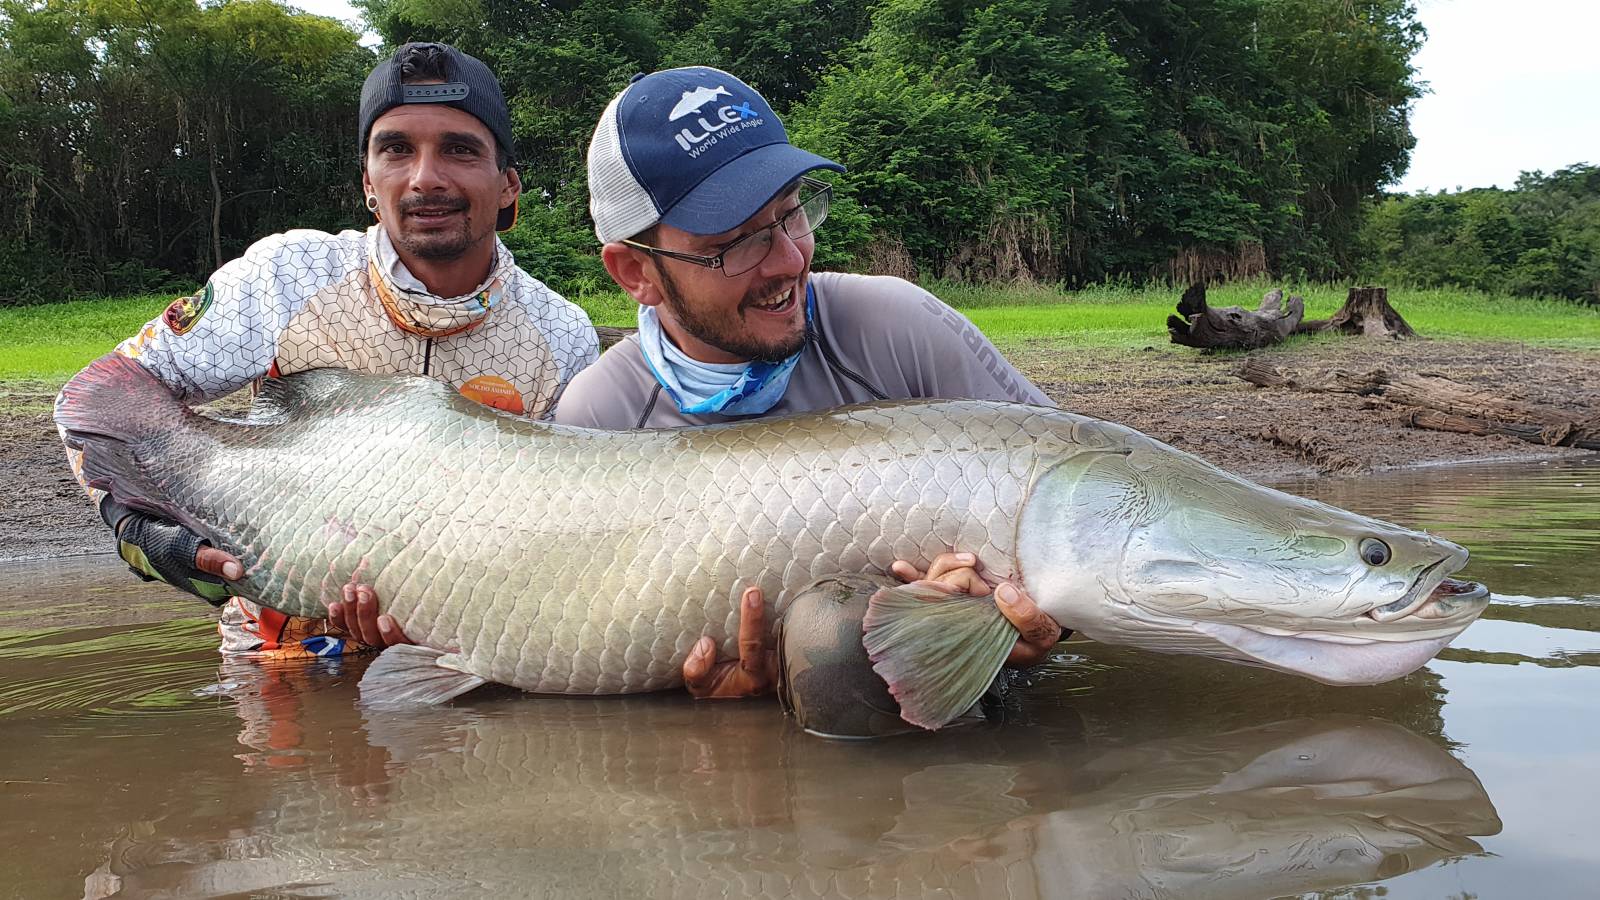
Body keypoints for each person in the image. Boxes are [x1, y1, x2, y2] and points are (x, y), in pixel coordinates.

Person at [56, 42, 598, 659]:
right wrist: (135, 530)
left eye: (460, 149)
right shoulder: (287, 277)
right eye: (396, 149)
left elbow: (558, 537)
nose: (425, 177)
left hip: (464, 653)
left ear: (507, 185)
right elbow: (104, 396)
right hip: (277, 654)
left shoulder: (561, 334)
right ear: (369, 183)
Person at [557, 67, 1067, 699]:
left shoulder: (896, 328)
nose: (790, 260)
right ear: (636, 271)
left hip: (960, 708)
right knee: (828, 643)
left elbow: (1071, 502)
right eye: (737, 242)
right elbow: (586, 637)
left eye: (792, 213)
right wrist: (690, 700)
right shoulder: (600, 418)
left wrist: (1030, 620)